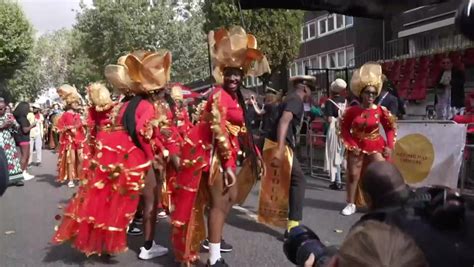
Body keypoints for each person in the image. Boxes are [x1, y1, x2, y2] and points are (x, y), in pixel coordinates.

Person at [170, 26, 269, 266]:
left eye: (237, 73)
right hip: (212, 156)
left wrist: (255, 155)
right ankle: (214, 258)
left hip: (225, 155)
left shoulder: (237, 98)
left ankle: (211, 240)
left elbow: (242, 129)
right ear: (223, 74)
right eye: (230, 73)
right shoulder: (218, 96)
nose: (234, 78)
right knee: (219, 203)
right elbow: (220, 133)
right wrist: (227, 166)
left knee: (228, 199)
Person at [258, 74, 314, 237]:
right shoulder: (296, 100)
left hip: (275, 143)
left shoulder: (289, 98)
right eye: (310, 89)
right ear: (304, 88)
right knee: (299, 180)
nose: (310, 92)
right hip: (280, 145)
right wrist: (280, 149)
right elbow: (284, 121)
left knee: (289, 181)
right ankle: (293, 226)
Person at [339, 62, 397, 216]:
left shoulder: (381, 111)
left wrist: (389, 146)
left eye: (373, 93)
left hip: (375, 145)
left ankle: (380, 203)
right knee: (353, 175)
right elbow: (344, 128)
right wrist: (351, 144)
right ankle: (351, 203)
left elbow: (390, 128)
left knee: (381, 174)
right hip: (356, 146)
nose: (371, 96)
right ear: (361, 94)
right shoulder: (352, 111)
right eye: (367, 93)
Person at [55, 85, 87, 188]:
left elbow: (81, 125)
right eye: (75, 103)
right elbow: (58, 128)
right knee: (71, 160)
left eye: (77, 103)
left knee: (81, 158)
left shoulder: (78, 115)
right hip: (69, 140)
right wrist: (68, 128)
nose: (77, 104)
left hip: (79, 138)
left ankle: (80, 176)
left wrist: (83, 124)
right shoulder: (64, 115)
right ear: (70, 103)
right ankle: (71, 179)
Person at [324, 79, 347, 191]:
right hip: (343, 130)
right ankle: (338, 179)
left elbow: (328, 119)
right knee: (341, 155)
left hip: (334, 130)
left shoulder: (329, 102)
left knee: (334, 156)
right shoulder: (345, 101)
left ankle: (337, 181)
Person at [0, 98, 24, 186]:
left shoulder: (9, 115)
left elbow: (17, 126)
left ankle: (16, 179)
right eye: (0, 109)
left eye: (4, 108)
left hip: (9, 142)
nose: (3, 110)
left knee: (12, 159)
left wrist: (13, 125)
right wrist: (2, 126)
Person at [13, 102, 36, 181]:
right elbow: (25, 130)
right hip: (23, 138)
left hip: (22, 137)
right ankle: (22, 173)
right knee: (24, 156)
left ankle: (24, 172)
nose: (29, 109)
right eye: (28, 107)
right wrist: (32, 125)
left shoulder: (19, 117)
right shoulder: (22, 118)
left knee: (27, 156)